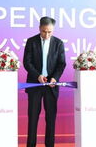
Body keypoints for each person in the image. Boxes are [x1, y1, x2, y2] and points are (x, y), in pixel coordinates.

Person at [23, 16, 66, 147]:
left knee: (51, 118)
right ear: (39, 28)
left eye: (49, 32)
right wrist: (37, 76)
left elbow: (61, 64)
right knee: (33, 118)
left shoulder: (58, 43)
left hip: (51, 86)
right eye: (44, 31)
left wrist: (55, 78)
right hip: (35, 84)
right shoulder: (31, 41)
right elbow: (27, 62)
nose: (46, 34)